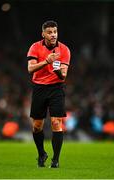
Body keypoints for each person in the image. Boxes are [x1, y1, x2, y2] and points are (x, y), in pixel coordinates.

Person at [27, 20, 71, 168]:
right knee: (37, 126)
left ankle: (55, 160)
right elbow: (30, 69)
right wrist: (47, 61)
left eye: (55, 32)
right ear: (43, 34)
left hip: (56, 88)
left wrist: (57, 69)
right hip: (39, 87)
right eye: (50, 32)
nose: (53, 35)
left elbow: (63, 76)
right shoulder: (35, 47)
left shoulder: (64, 50)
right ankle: (41, 154)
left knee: (56, 122)